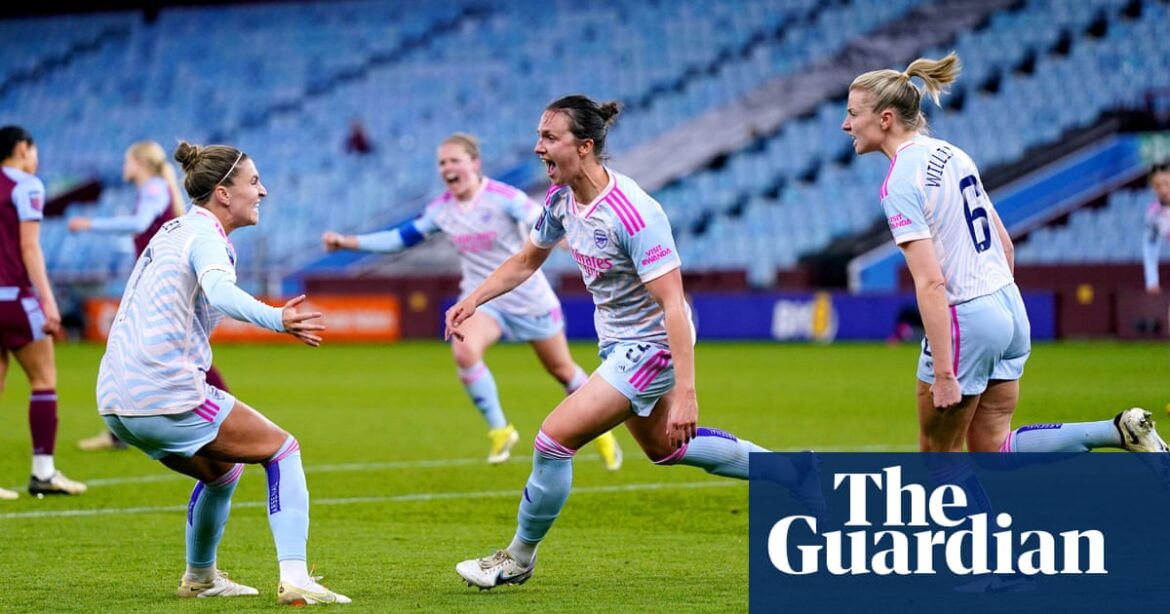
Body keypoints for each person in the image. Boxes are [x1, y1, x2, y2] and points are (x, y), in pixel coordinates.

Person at [447, 96, 820, 590]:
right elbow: (525, 261)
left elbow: (673, 305)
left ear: (584, 146)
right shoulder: (559, 201)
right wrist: (473, 299)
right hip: (620, 343)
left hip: (653, 345)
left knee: (553, 440)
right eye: (539, 136)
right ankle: (793, 471)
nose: (538, 148)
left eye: (549, 138)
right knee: (666, 448)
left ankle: (517, 558)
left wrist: (686, 390)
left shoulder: (634, 213)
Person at [842, 52, 1169, 454]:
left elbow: (930, 282)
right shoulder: (953, 154)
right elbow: (1005, 244)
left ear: (886, 118)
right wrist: (998, 311)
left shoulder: (899, 183)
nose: (846, 124)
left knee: (936, 452)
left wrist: (945, 372)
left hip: (967, 316)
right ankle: (1116, 430)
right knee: (993, 448)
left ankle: (974, 520)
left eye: (853, 113)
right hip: (1008, 305)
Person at [95, 140, 349, 604]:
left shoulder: (173, 230)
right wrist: (277, 319)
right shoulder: (208, 237)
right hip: (161, 389)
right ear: (224, 194)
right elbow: (218, 291)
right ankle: (296, 577)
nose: (264, 191)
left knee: (221, 472)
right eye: (254, 182)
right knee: (282, 449)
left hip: (115, 399)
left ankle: (201, 578)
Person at [322, 132, 623, 469]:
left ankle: (601, 432)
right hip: (482, 299)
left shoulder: (502, 197)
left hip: (528, 298)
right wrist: (347, 242)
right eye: (442, 163)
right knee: (464, 350)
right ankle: (500, 430)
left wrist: (566, 237)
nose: (447, 168)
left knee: (562, 370)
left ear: (474, 164)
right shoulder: (441, 211)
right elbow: (399, 239)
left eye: (454, 161)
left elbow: (539, 215)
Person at [69, 140, 233, 452]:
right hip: (159, 278)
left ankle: (225, 414)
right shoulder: (156, 189)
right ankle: (123, 430)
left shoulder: (154, 188)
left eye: (127, 161)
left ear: (140, 162)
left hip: (162, 281)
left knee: (163, 348)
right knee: (164, 348)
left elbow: (139, 223)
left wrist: (91, 224)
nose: (123, 167)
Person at [0, 125, 87, 501]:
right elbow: (30, 248)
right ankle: (43, 473)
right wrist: (49, 303)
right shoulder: (27, 185)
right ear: (22, 148)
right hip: (15, 298)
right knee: (43, 379)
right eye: (34, 151)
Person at [1142, 161, 1170, 294]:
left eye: (1167, 183)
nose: (1164, 190)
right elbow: (1150, 246)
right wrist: (1152, 280)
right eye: (1158, 185)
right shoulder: (1153, 213)